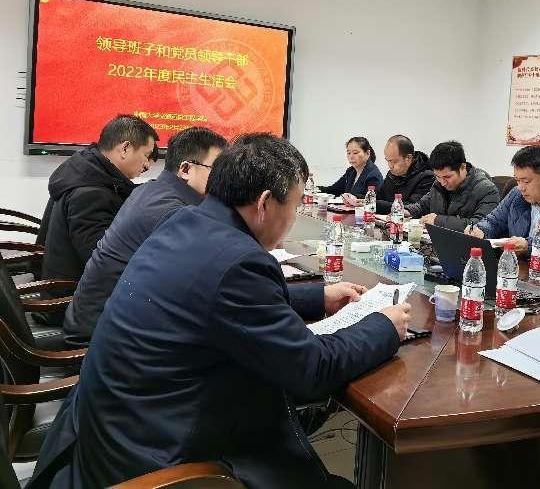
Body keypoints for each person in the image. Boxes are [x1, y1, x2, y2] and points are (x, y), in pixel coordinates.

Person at [29, 133, 411, 489]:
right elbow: (312, 370)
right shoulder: (238, 262)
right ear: (264, 203)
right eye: (294, 205)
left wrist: (318, 297)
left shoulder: (186, 220)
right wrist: (382, 325)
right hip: (161, 463)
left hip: (108, 435)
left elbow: (210, 299)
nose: (294, 216)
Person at [62, 127, 228, 347]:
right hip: (102, 339)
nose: (225, 179)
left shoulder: (151, 191)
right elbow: (204, 281)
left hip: (94, 320)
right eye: (218, 170)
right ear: (186, 169)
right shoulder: (173, 212)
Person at [37, 114, 159, 324]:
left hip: (69, 288)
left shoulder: (85, 173)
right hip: (72, 304)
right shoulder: (91, 193)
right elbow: (100, 260)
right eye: (146, 156)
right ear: (125, 148)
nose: (147, 165)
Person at [404, 140, 499, 231]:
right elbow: (422, 205)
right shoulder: (439, 183)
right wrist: (407, 212)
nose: (443, 182)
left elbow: (480, 226)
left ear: (463, 167)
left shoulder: (487, 190)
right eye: (438, 176)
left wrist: (438, 221)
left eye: (447, 177)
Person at [376, 135, 434, 213]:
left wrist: (376, 204)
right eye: (388, 161)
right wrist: (364, 200)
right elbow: (379, 197)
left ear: (408, 158)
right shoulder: (392, 173)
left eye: (393, 161)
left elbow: (411, 207)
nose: (390, 166)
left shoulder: (427, 177)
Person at [319, 136, 383, 204]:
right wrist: (316, 189)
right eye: (348, 153)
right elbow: (334, 189)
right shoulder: (351, 171)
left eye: (355, 153)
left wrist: (351, 197)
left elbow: (370, 200)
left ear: (367, 153)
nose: (351, 157)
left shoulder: (373, 175)